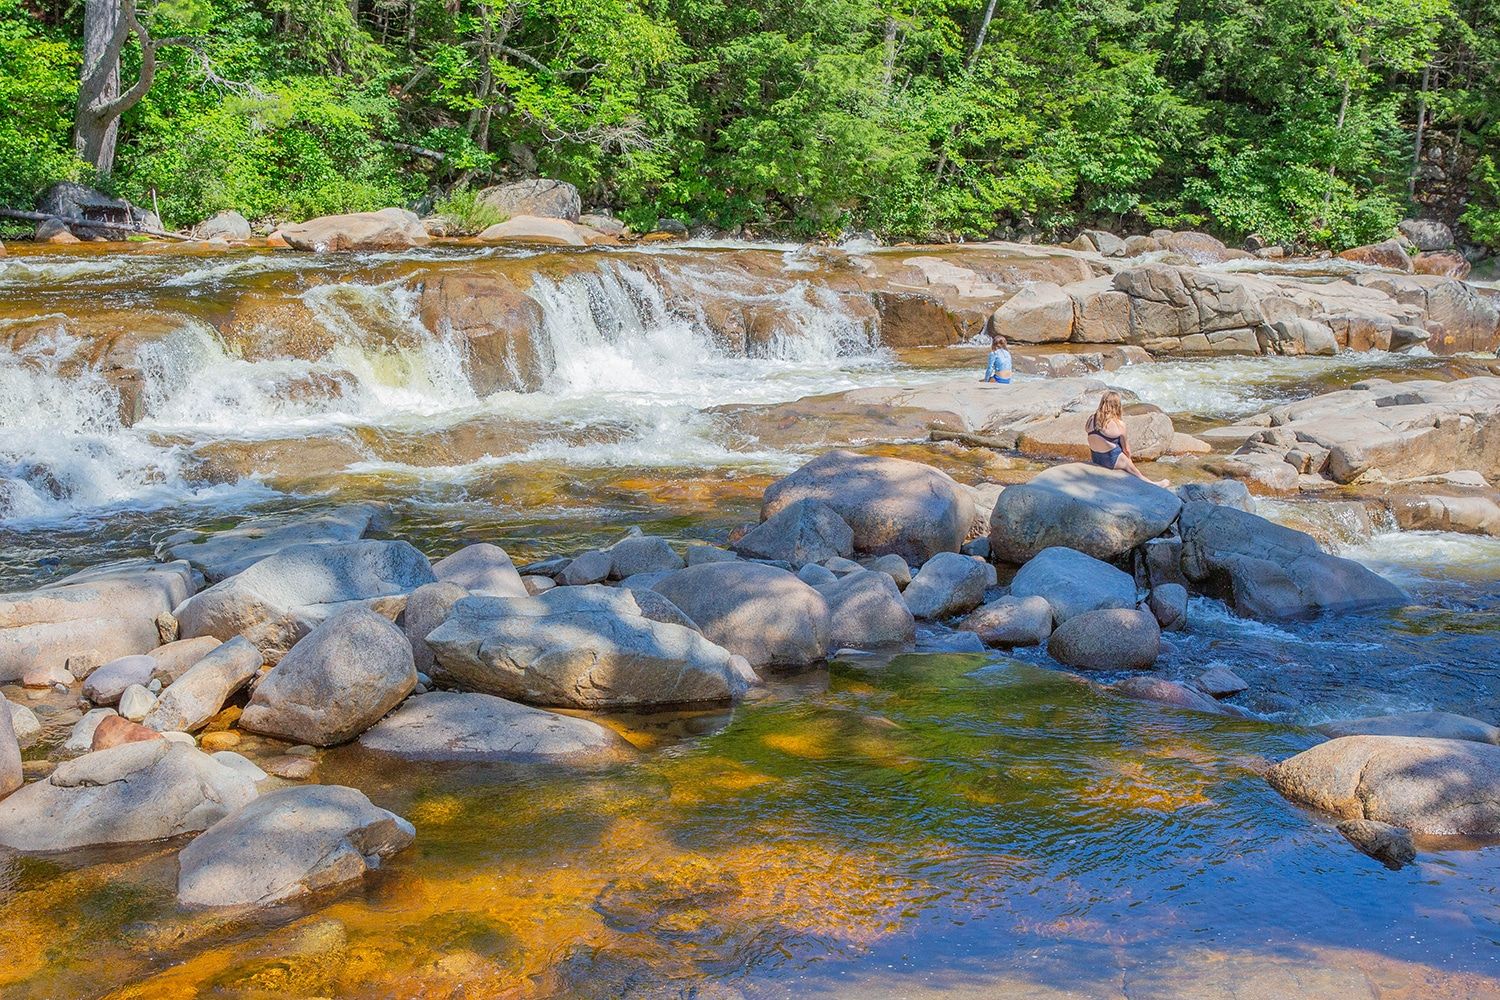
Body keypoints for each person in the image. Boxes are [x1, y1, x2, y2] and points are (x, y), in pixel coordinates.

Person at [1086, 391, 1169, 487]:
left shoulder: (1091, 419)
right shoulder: (1119, 424)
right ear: (1117, 406)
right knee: (1136, 473)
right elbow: (1126, 450)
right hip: (1111, 460)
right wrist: (1128, 461)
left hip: (1096, 458)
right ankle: (1154, 485)